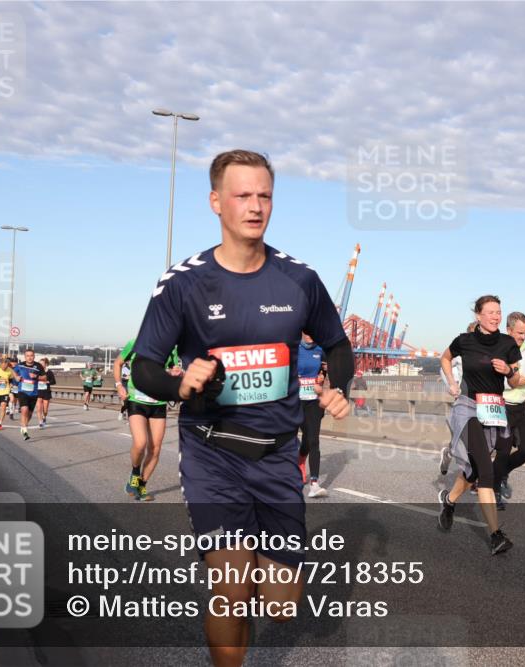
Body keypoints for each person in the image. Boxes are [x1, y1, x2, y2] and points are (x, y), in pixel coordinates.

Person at [129, 149, 353, 666]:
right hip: (213, 454)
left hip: (277, 455)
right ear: (216, 202)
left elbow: (338, 346)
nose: (255, 206)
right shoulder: (183, 282)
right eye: (242, 195)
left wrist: (333, 383)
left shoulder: (299, 279)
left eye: (264, 195)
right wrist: (180, 384)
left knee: (279, 605)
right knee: (230, 586)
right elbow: (143, 367)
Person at [438, 295, 521, 555]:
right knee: (485, 471)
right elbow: (444, 358)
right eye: (491, 312)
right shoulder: (465, 340)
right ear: (478, 315)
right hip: (469, 409)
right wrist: (451, 383)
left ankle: (449, 501)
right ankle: (496, 535)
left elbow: (516, 381)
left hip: (494, 410)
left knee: (473, 470)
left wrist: (508, 371)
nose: (496, 316)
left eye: (499, 312)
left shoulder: (508, 343)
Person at [115, 339, 180, 502]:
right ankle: (135, 473)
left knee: (155, 448)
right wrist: (119, 386)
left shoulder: (171, 348)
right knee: (140, 443)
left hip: (158, 403)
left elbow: (173, 370)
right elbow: (118, 363)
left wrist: (176, 373)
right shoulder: (136, 343)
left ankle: (142, 485)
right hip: (137, 401)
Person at [492, 312, 525, 510]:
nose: (523, 337)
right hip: (503, 406)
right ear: (509, 330)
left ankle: (502, 473)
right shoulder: (499, 349)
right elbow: (505, 381)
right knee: (503, 452)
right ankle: (494, 492)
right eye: (520, 333)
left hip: (522, 407)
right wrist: (518, 380)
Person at [439, 321, 476, 476]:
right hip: (463, 399)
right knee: (463, 442)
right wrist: (451, 384)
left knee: (480, 442)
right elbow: (444, 365)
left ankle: (475, 476)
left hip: (483, 402)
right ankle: (449, 453)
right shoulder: (461, 353)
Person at [296, 332, 329, 498]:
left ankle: (314, 484)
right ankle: (299, 462)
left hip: (313, 402)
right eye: (307, 331)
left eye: (313, 330)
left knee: (313, 440)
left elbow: (325, 371)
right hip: (294, 402)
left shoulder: (321, 350)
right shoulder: (293, 348)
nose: (310, 334)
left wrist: (321, 379)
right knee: (289, 440)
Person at [12, 350, 44, 440]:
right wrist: (16, 377)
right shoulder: (20, 365)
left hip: (34, 393)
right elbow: (13, 372)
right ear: (25, 357)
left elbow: (44, 377)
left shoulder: (38, 366)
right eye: (27, 356)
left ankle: (23, 426)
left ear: (34, 356)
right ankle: (25, 431)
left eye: (31, 356)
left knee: (29, 414)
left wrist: (36, 377)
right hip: (22, 391)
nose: (29, 357)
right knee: (24, 409)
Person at [36, 358, 56, 428]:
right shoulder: (36, 372)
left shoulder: (49, 372)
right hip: (38, 391)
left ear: (46, 364)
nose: (40, 365)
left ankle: (44, 416)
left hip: (46, 391)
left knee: (45, 409)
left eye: (42, 363)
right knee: (38, 408)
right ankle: (40, 422)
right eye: (39, 363)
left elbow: (53, 381)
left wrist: (47, 382)